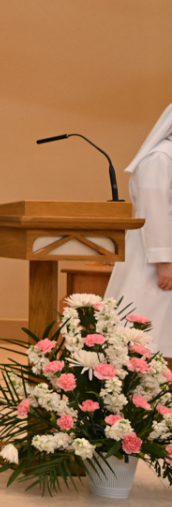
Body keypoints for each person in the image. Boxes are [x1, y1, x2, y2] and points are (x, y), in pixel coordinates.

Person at [107, 103, 172, 335]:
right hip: (154, 256)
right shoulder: (160, 158)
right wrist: (164, 261)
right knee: (146, 328)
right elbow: (153, 212)